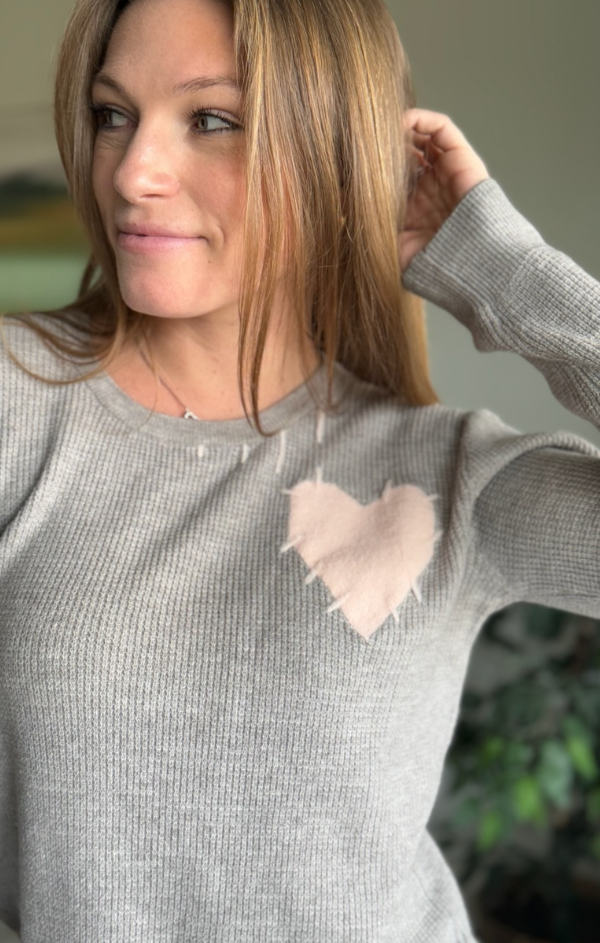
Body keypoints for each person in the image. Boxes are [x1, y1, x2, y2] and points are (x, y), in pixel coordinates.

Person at [0, 0, 598, 940]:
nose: (132, 172)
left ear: (331, 153)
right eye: (114, 114)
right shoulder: (19, 398)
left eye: (212, 119)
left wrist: (503, 269)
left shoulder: (449, 476)